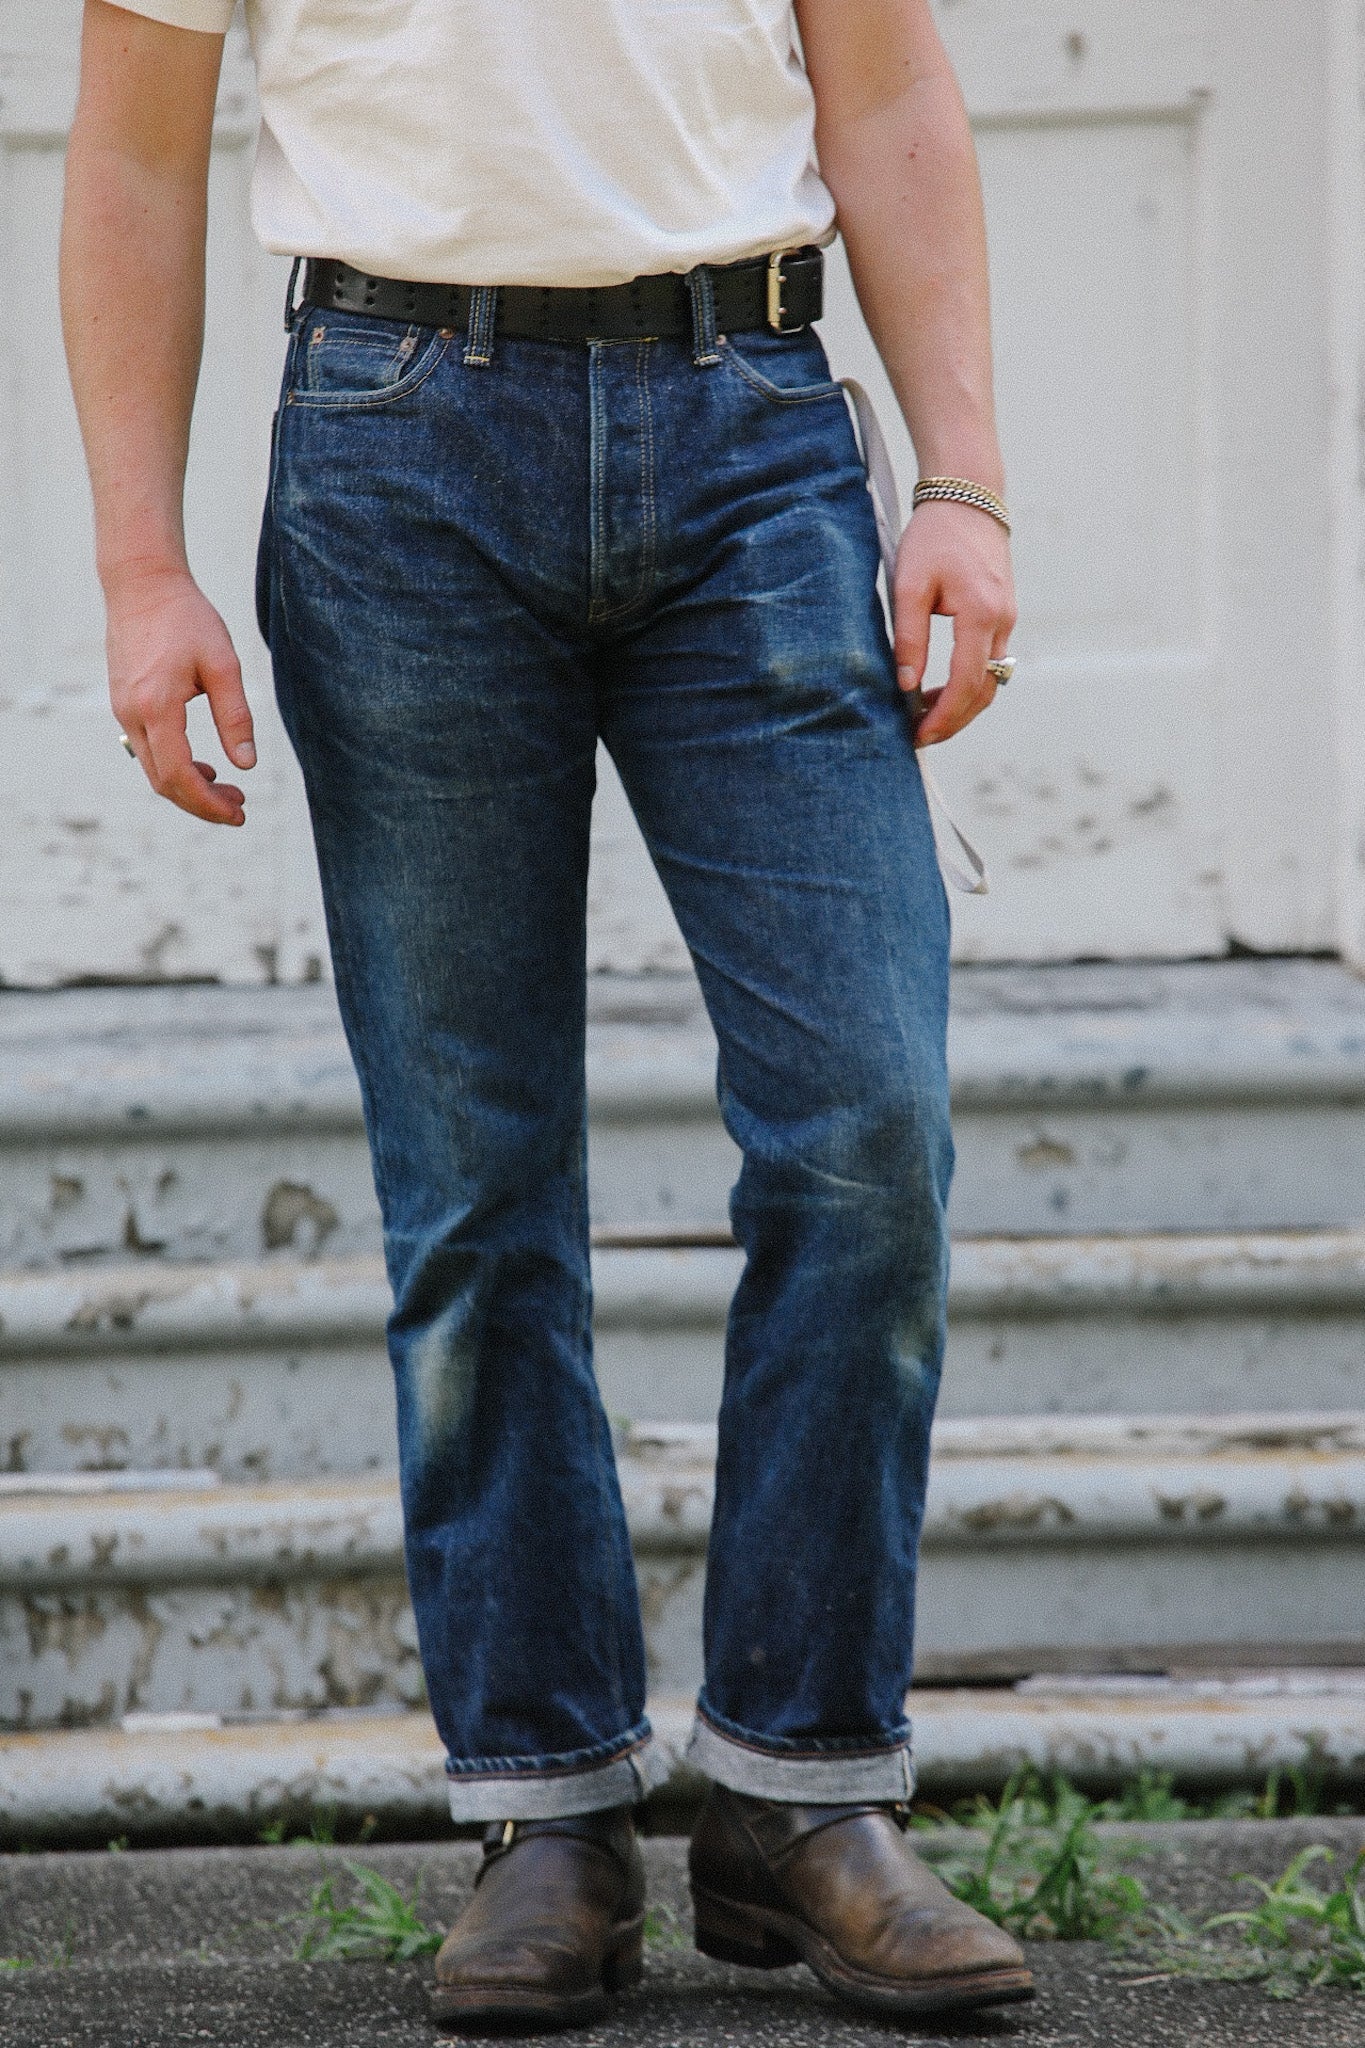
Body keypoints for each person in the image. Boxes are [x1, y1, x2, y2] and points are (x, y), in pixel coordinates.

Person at [62, 0, 1027, 2028]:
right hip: (392, 439)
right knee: (476, 1187)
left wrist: (962, 480)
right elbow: (136, 155)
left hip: (750, 426)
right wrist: (143, 568)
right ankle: (548, 1810)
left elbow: (886, 86)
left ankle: (794, 1789)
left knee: (865, 1138)